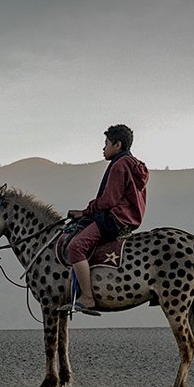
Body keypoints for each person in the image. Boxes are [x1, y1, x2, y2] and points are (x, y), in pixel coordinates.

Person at [65, 124, 149, 315]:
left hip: (116, 219)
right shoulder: (134, 164)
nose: (103, 148)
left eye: (106, 144)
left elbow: (108, 200)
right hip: (130, 219)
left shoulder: (119, 165)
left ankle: (87, 297)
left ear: (117, 144)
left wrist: (85, 212)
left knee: (75, 247)